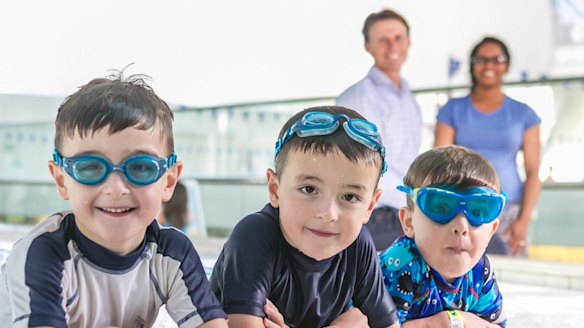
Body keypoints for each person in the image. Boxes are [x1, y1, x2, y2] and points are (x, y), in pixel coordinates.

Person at [0, 71, 228, 327]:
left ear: (169, 181)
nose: (116, 188)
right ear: (62, 181)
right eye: (90, 168)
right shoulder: (42, 255)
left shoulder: (172, 255)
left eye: (141, 167)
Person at [210, 106, 399, 328]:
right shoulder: (255, 235)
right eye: (309, 189)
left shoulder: (358, 245)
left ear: (370, 206)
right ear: (274, 189)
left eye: (349, 196)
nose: (328, 213)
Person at [434, 36, 542, 256]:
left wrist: (523, 220)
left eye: (497, 59)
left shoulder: (524, 114)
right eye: (481, 59)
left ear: (507, 65)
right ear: (472, 65)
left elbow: (533, 173)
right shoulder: (452, 110)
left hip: (509, 209)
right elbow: (439, 165)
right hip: (463, 208)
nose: (489, 65)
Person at [380, 145, 506, 327]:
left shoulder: (480, 271)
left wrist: (456, 321)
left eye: (479, 211)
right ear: (409, 222)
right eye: (440, 208)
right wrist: (443, 323)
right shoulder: (402, 264)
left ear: (491, 231)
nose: (461, 226)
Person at [336, 8, 422, 251]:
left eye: (398, 38)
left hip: (403, 211)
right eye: (382, 40)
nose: (392, 46)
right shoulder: (357, 99)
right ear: (367, 46)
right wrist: (415, 199)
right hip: (375, 217)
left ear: (408, 42)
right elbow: (363, 170)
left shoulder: (409, 98)